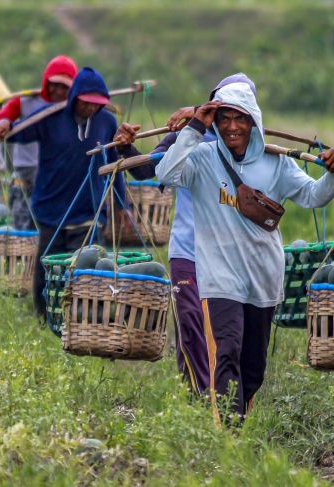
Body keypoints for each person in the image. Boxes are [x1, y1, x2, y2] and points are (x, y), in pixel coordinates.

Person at [155, 82, 334, 423]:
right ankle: (228, 434)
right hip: (218, 281)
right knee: (226, 352)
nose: (232, 127)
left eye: (240, 119)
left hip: (263, 280)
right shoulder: (201, 159)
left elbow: (314, 196)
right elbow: (165, 173)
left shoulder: (277, 164)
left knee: (253, 368)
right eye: (224, 118)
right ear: (215, 121)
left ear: (254, 123)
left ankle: (238, 425)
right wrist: (196, 127)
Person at [113, 74, 257, 396]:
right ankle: (199, 397)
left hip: (232, 257)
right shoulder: (191, 135)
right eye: (223, 108)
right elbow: (147, 169)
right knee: (190, 323)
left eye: (240, 113)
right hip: (188, 252)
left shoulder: (252, 145)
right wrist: (126, 148)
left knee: (228, 334)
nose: (232, 121)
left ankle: (227, 398)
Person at [4, 66, 128, 317]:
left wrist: (121, 203)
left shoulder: (107, 122)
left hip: (89, 209)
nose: (91, 108)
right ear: (75, 98)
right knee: (48, 269)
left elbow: (115, 164)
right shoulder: (50, 117)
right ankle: (44, 317)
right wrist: (5, 123)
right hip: (50, 207)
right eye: (85, 103)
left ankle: (86, 322)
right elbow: (17, 133)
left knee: (88, 270)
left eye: (96, 104)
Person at [0, 55, 78, 230]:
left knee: (51, 226)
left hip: (59, 173)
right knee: (22, 224)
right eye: (54, 85)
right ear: (46, 82)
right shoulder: (25, 101)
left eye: (64, 87)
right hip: (26, 173)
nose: (58, 91)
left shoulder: (76, 108)